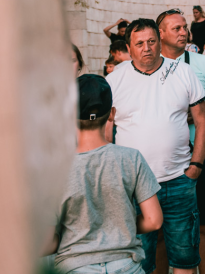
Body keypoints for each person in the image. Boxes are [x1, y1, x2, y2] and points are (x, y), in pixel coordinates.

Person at [108, 17, 205, 274]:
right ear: (129, 48)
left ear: (159, 42)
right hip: (134, 187)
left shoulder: (182, 71)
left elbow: (202, 121)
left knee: (184, 259)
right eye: (139, 43)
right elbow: (107, 131)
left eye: (151, 41)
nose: (146, 48)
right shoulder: (114, 81)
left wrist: (195, 167)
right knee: (141, 261)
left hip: (179, 181)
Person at [49, 74, 163, 274]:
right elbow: (154, 220)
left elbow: (46, 242)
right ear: (112, 113)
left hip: (76, 266)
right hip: (126, 264)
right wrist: (120, 229)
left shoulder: (55, 169)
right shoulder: (131, 158)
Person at [159, 10, 205, 274]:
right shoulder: (151, 66)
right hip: (162, 159)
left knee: (204, 225)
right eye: (176, 28)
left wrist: (197, 111)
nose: (184, 32)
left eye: (185, 27)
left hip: (198, 153)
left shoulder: (201, 64)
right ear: (159, 33)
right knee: (160, 229)